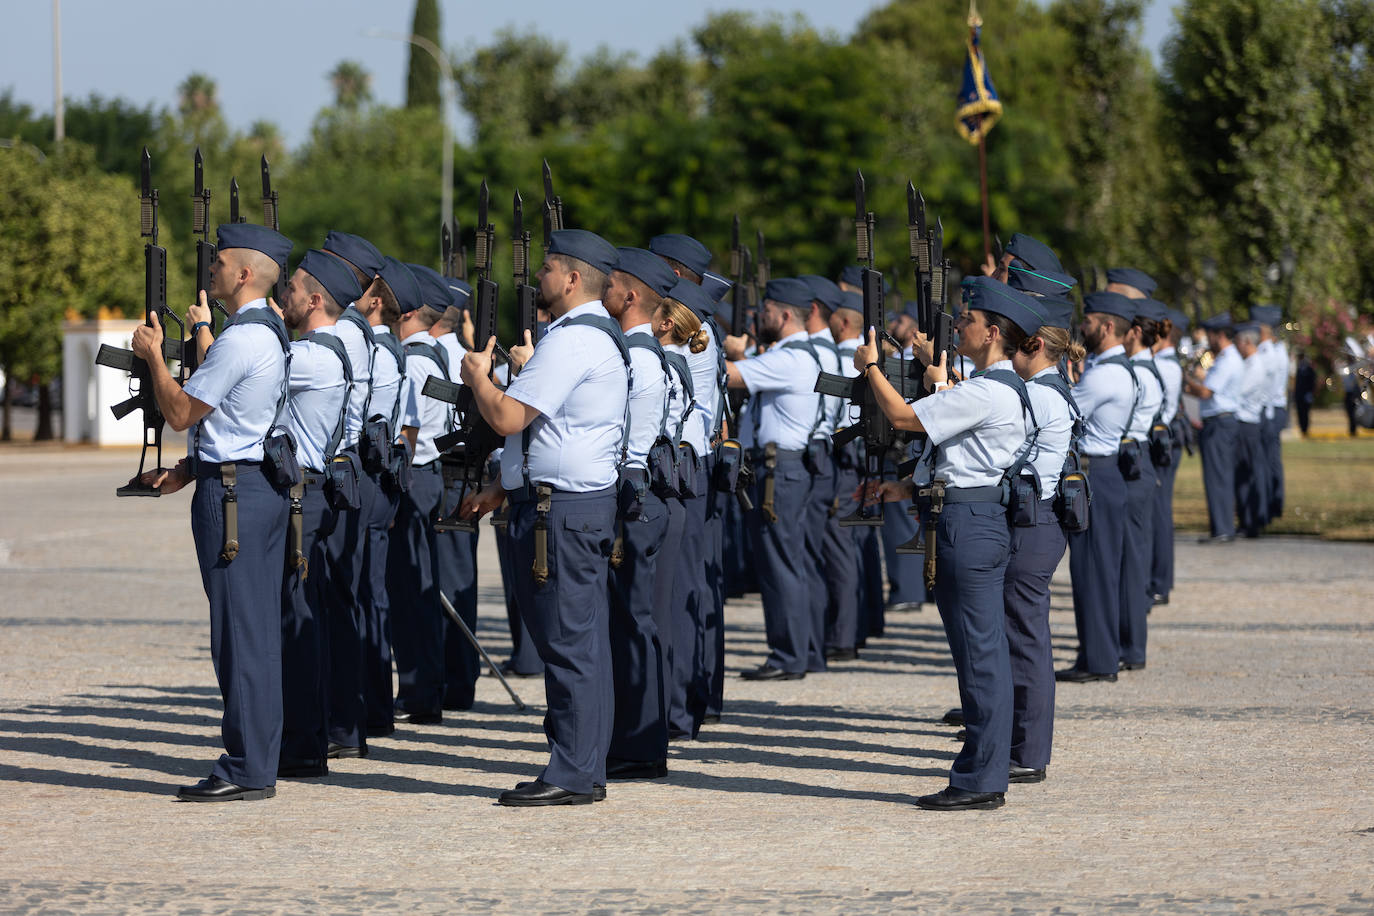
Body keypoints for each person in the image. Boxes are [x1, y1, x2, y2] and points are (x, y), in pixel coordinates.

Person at [855, 275, 1044, 811]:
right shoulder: (991, 387)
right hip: (965, 515)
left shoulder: (988, 390)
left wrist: (871, 366)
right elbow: (956, 451)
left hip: (970, 522)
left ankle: (982, 778)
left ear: (992, 334)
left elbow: (901, 417)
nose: (958, 326)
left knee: (981, 655)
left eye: (968, 320)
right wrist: (903, 486)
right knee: (975, 651)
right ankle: (979, 769)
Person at [458, 228, 628, 806]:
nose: (539, 278)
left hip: (566, 510)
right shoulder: (583, 338)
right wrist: (503, 488)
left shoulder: (575, 342)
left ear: (574, 279)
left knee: (569, 643)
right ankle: (579, 763)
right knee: (577, 641)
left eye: (550, 267)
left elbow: (508, 416)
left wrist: (477, 376)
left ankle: (575, 771)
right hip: (565, 504)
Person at [130, 223, 293, 801]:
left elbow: (180, 412)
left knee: (239, 634)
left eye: (220, 262)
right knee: (254, 632)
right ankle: (257, 759)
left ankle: (249, 767)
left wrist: (153, 355)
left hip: (233, 500)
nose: (212, 271)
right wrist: (186, 471)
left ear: (244, 273)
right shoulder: (266, 331)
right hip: (244, 487)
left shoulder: (242, 339)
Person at [274, 250, 359, 779]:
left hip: (302, 494)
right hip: (312, 491)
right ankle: (306, 736)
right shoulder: (314, 350)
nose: (284, 297)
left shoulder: (312, 356)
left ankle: (303, 744)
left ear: (315, 299)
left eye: (293, 288)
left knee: (296, 619)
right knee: (302, 615)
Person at [323, 231, 407, 739]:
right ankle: (365, 712)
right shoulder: (366, 337)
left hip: (350, 470)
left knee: (343, 599)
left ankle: (348, 719)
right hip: (363, 471)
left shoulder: (351, 335)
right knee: (357, 596)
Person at [601, 247, 679, 780]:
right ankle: (630, 738)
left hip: (633, 498)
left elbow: (627, 440)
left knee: (631, 622)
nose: (601, 291)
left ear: (631, 296)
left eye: (609, 284)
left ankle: (640, 743)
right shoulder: (636, 352)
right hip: (636, 497)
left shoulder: (639, 358)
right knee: (626, 621)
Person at [723, 278, 825, 681]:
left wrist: (720, 349)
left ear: (784, 315)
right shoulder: (790, 355)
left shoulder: (788, 358)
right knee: (790, 562)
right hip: (781, 468)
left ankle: (788, 655)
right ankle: (803, 650)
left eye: (764, 311)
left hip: (777, 471)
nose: (756, 317)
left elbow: (732, 376)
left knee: (781, 564)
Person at [1006, 296, 1079, 784]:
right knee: (1021, 636)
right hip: (1037, 521)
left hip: (1032, 522)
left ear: (1034, 346)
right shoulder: (1046, 388)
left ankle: (1029, 751)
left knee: (1025, 639)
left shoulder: (1041, 395)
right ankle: (1018, 743)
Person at [1058, 292, 1138, 684]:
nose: (1082, 327)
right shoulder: (1112, 368)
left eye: (1088, 321)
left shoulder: (1106, 373)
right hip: (1103, 473)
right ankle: (1095, 653)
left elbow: (1066, 411)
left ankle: (1099, 659)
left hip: (1097, 473)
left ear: (1107, 327)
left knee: (1094, 569)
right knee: (1093, 569)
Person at [1121, 298, 1167, 672]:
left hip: (1131, 462)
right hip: (1138, 460)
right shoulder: (1144, 369)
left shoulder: (1137, 372)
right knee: (1130, 560)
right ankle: (1129, 643)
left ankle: (1132, 646)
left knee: (1131, 562)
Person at [1184, 314, 1243, 542]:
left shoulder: (1227, 360)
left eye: (1210, 334)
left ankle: (1222, 528)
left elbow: (1206, 392)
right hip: (1222, 420)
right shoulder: (1228, 357)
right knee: (1221, 475)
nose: (1208, 339)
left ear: (1219, 335)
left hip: (1219, 422)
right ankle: (1223, 526)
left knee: (1216, 477)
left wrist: (1186, 381)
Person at [1150, 308, 1187, 606]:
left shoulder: (1164, 365)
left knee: (1160, 511)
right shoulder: (1165, 363)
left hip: (1161, 442)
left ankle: (1160, 581)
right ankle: (1160, 579)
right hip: (1164, 440)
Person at [1233, 322, 1271, 537]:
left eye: (1239, 343)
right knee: (1243, 475)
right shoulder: (1249, 363)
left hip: (1247, 424)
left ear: (1247, 342)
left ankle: (1251, 521)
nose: (1237, 347)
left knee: (1247, 474)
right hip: (1245, 423)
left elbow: (1237, 391)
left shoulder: (1254, 365)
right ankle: (1246, 520)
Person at [1250, 305, 1288, 519]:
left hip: (1268, 410)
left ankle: (1270, 505)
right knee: (1271, 459)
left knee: (1265, 461)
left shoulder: (1267, 354)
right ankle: (1274, 503)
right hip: (1274, 408)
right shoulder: (1278, 349)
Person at [1294, 352, 1316, 436]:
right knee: (1300, 413)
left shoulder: (1309, 369)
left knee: (1305, 413)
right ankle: (1302, 429)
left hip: (1306, 395)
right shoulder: (1298, 368)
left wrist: (1311, 393)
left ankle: (1305, 429)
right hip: (1299, 395)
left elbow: (1312, 382)